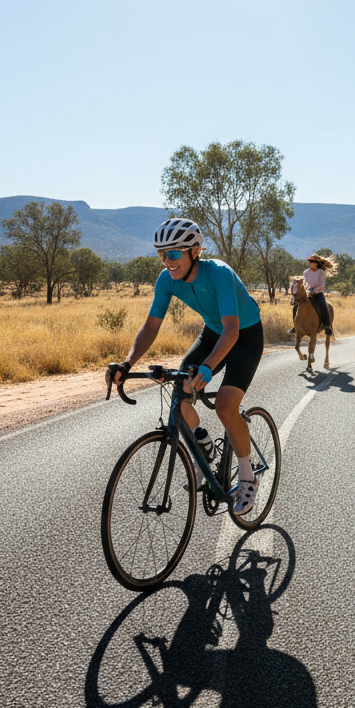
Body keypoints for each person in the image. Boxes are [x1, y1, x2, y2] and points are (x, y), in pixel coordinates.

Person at [107, 218, 264, 516]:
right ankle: (204, 445)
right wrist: (127, 363)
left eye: (174, 253)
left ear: (194, 251)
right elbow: (151, 327)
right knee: (180, 390)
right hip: (214, 332)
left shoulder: (218, 273)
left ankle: (247, 476)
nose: (168, 261)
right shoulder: (166, 280)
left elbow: (232, 331)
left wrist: (207, 367)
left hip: (245, 333)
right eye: (162, 255)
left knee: (225, 406)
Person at [287, 253, 335, 336]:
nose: (313, 264)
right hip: (307, 294)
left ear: (317, 263)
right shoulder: (306, 272)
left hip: (318, 294)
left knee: (323, 307)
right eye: (312, 262)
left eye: (315, 262)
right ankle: (295, 326)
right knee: (295, 307)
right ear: (310, 263)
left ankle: (327, 326)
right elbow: (305, 284)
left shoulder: (321, 272)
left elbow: (321, 285)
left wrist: (314, 290)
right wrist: (306, 291)